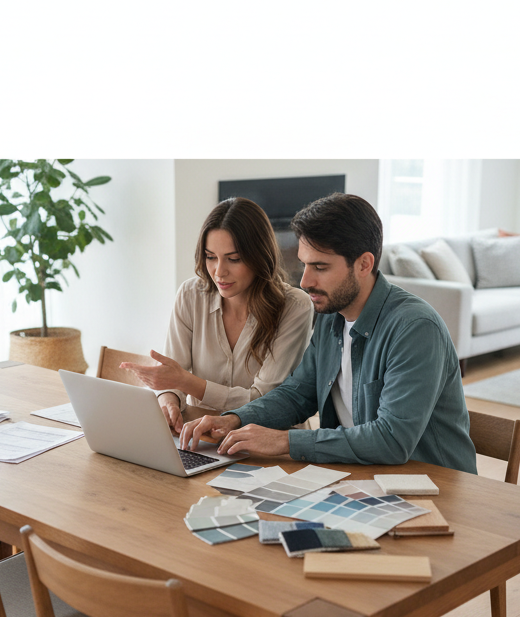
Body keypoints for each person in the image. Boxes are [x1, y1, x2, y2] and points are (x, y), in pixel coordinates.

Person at [180, 192, 478, 473]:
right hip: (358, 476)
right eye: (304, 265)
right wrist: (234, 420)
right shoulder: (330, 316)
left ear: (364, 264)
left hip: (431, 488)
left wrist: (285, 441)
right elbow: (297, 394)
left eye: (320, 267)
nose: (305, 281)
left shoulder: (415, 329)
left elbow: (392, 440)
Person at [120, 197, 314, 432]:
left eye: (234, 259)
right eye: (210, 257)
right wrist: (169, 401)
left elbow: (264, 401)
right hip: (201, 437)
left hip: (268, 440)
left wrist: (186, 382)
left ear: (259, 257)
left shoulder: (295, 307)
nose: (219, 272)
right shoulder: (191, 295)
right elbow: (172, 378)